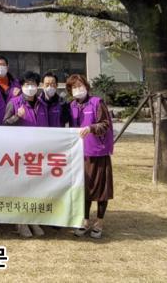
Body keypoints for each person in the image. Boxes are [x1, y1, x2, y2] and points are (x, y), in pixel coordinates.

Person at [67, 73, 114, 239]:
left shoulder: (97, 102)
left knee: (101, 190)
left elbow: (106, 124)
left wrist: (92, 128)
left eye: (80, 86)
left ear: (86, 86)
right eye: (74, 87)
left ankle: (99, 222)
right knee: (84, 188)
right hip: (80, 154)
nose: (78, 89)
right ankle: (85, 220)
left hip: (98, 152)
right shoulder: (72, 106)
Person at [3, 70, 48, 238]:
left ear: (38, 86)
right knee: (21, 187)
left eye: (33, 84)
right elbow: (4, 125)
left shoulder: (42, 104)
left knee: (35, 187)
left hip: (38, 153)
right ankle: (21, 222)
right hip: (20, 153)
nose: (30, 87)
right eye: (27, 84)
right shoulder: (14, 103)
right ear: (21, 86)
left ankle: (33, 219)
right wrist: (17, 116)